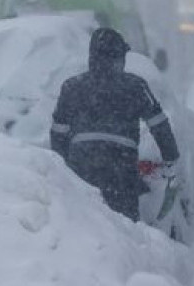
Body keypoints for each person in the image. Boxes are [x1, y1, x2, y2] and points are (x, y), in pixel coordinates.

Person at [50, 28, 180, 221]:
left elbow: (58, 132)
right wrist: (171, 157)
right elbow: (159, 124)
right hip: (121, 165)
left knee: (83, 221)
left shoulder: (72, 87)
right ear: (119, 58)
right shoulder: (136, 86)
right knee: (124, 225)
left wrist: (62, 165)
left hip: (82, 165)